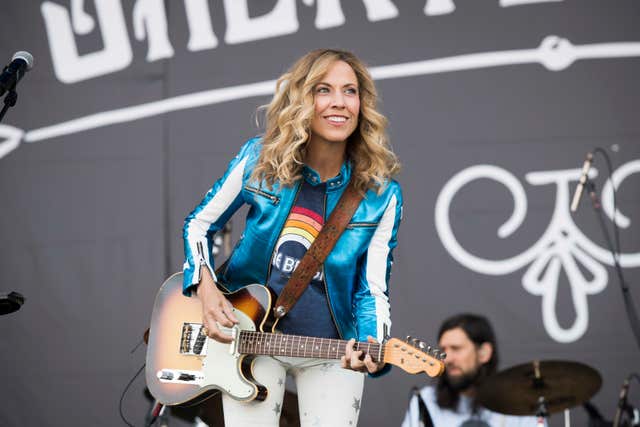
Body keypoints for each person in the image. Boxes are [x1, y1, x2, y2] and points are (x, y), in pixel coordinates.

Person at [182, 48, 403, 427]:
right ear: (302, 98)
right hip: (249, 341)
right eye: (324, 90)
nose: (339, 103)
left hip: (331, 350)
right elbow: (199, 224)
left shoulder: (381, 195)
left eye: (350, 91)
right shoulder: (259, 160)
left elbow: (373, 289)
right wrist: (204, 286)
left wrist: (371, 344)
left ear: (362, 104)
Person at [402, 313, 539, 427]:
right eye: (443, 350)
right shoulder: (426, 401)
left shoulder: (518, 402)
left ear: (484, 353)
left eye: (456, 349)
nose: (447, 358)